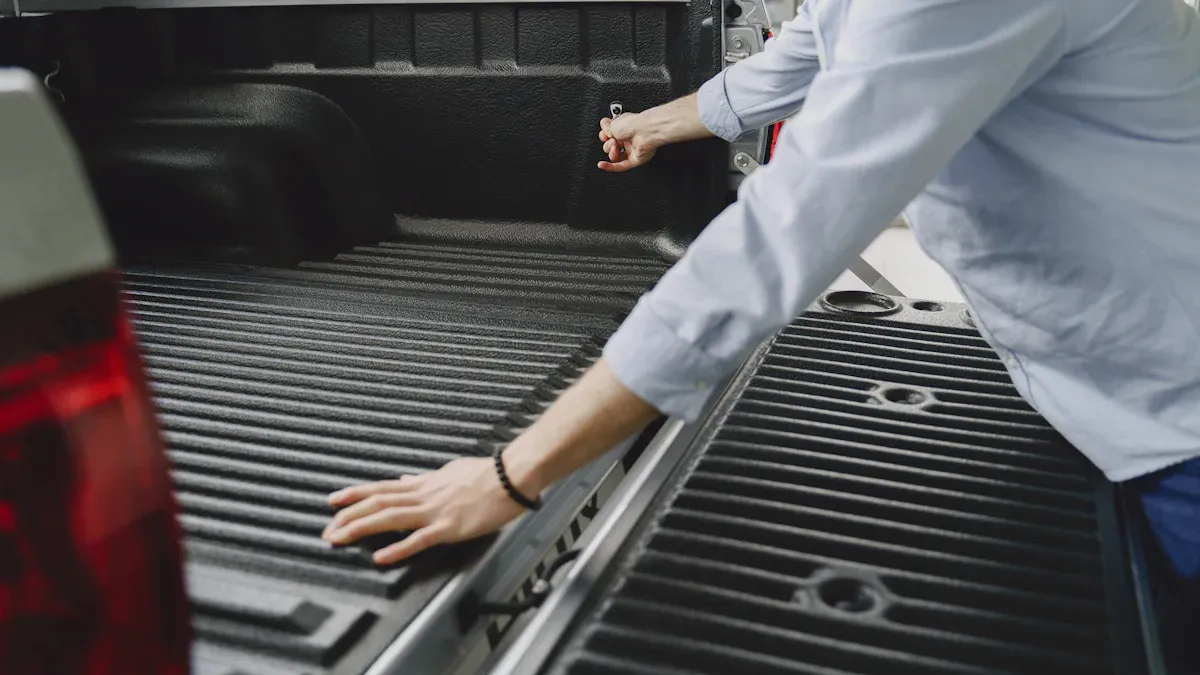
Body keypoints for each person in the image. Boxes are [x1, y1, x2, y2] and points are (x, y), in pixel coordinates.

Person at [323, 0, 1200, 629]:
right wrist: (663, 122)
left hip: (1176, 405)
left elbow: (786, 235)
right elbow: (818, 43)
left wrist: (513, 476)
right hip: (1090, 375)